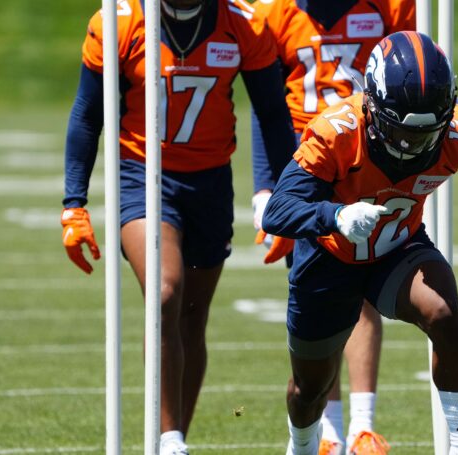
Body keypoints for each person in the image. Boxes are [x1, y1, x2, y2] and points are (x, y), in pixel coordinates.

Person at [59, 0, 296, 454]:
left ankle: (173, 439)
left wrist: (284, 198)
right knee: (165, 291)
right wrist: (75, 203)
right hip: (142, 176)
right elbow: (88, 114)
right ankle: (168, 441)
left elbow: (271, 111)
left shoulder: (242, 22)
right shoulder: (120, 21)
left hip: (210, 181)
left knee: (191, 314)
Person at [262, 31, 458, 455]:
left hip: (396, 248)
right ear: (371, 106)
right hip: (328, 259)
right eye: (402, 132)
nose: (412, 146)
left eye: (426, 134)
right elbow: (277, 211)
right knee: (309, 390)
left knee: (444, 314)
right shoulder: (336, 133)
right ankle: (302, 444)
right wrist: (333, 215)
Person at [248, 1, 415, 453]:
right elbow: (266, 105)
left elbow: (416, 71)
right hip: (308, 161)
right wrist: (265, 186)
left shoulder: (388, 7)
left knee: (362, 291)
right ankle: (329, 430)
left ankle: (361, 425)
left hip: (370, 155)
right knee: (320, 301)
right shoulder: (277, 13)